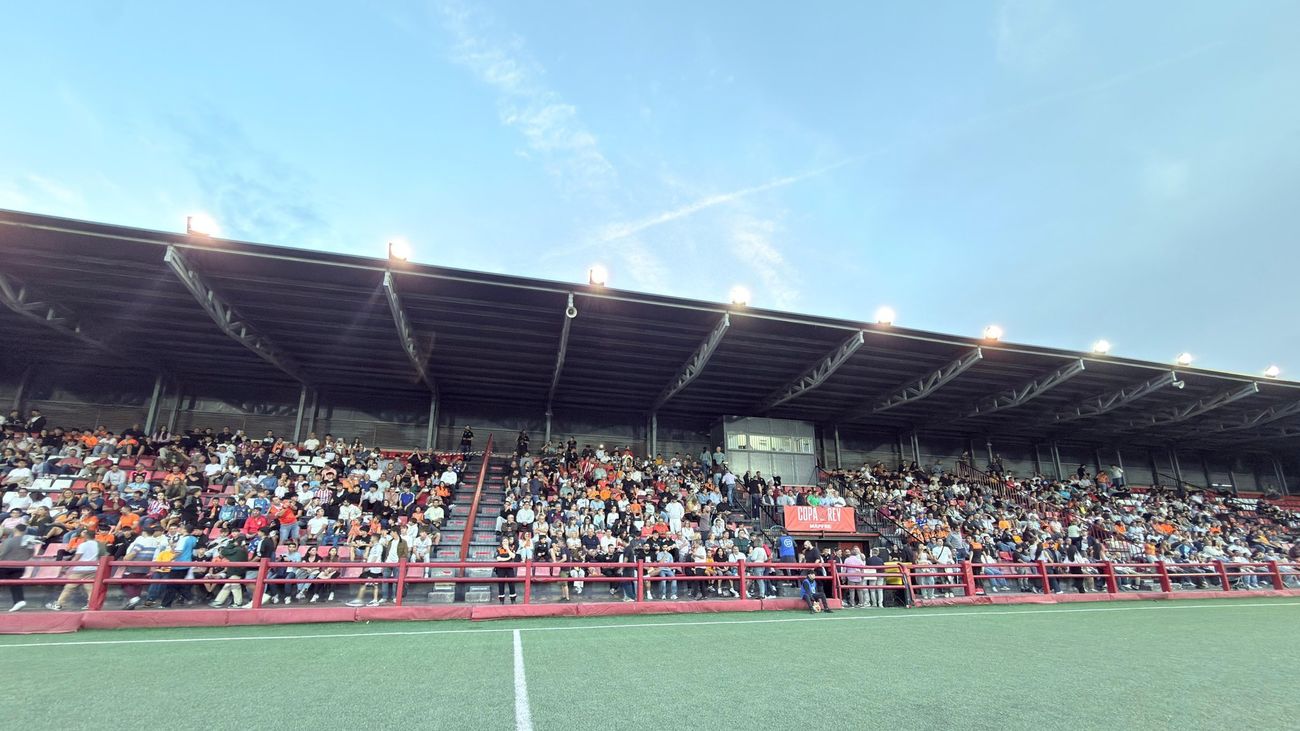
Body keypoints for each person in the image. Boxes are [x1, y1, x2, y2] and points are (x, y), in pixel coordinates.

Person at [0, 523, 39, 611]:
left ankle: (18, 601)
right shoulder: (29, 541)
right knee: (15, 584)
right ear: (25, 531)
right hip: (20, 566)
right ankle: (19, 600)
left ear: (14, 530)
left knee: (13, 584)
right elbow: (30, 554)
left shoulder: (8, 541)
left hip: (5, 566)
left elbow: (2, 553)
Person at [494, 536, 518, 604]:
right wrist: (507, 559)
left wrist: (507, 549)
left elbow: (513, 556)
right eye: (504, 541)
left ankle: (513, 599)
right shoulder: (498, 549)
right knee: (501, 583)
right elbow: (498, 559)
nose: (505, 542)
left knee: (511, 583)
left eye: (506, 541)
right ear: (501, 542)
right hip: (500, 568)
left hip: (509, 568)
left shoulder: (511, 548)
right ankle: (501, 600)